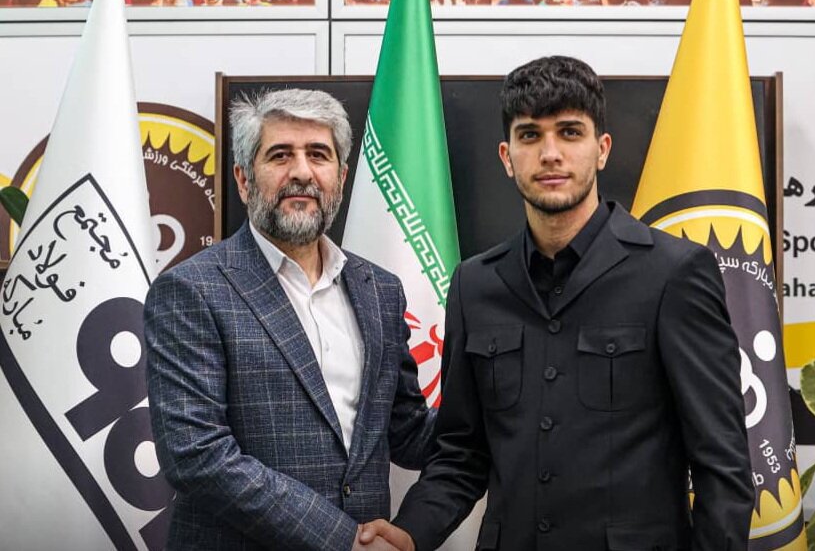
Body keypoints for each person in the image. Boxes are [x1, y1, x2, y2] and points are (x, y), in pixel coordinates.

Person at [361, 56, 754, 550]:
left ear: (602, 149)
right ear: (507, 156)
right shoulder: (474, 285)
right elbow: (461, 453)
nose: (550, 154)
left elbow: (722, 466)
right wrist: (408, 533)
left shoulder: (674, 273)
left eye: (570, 132)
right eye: (530, 135)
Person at [145, 88, 436, 550]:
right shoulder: (190, 290)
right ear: (243, 179)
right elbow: (197, 455)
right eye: (280, 155)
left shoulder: (379, 290)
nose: (301, 172)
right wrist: (345, 541)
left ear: (341, 178)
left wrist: (502, 407)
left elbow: (404, 430)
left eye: (318, 155)